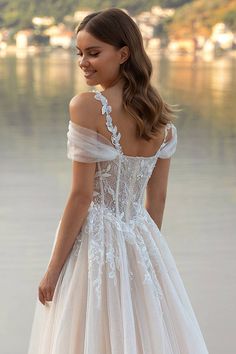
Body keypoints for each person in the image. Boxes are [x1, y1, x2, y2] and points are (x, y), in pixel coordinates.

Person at [27, 8, 209, 354]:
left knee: (86, 336)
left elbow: (81, 197)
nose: (83, 62)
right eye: (79, 53)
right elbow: (156, 203)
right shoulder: (162, 120)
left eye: (94, 52)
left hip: (94, 244)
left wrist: (53, 271)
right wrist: (144, 257)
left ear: (123, 54)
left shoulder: (86, 107)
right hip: (141, 238)